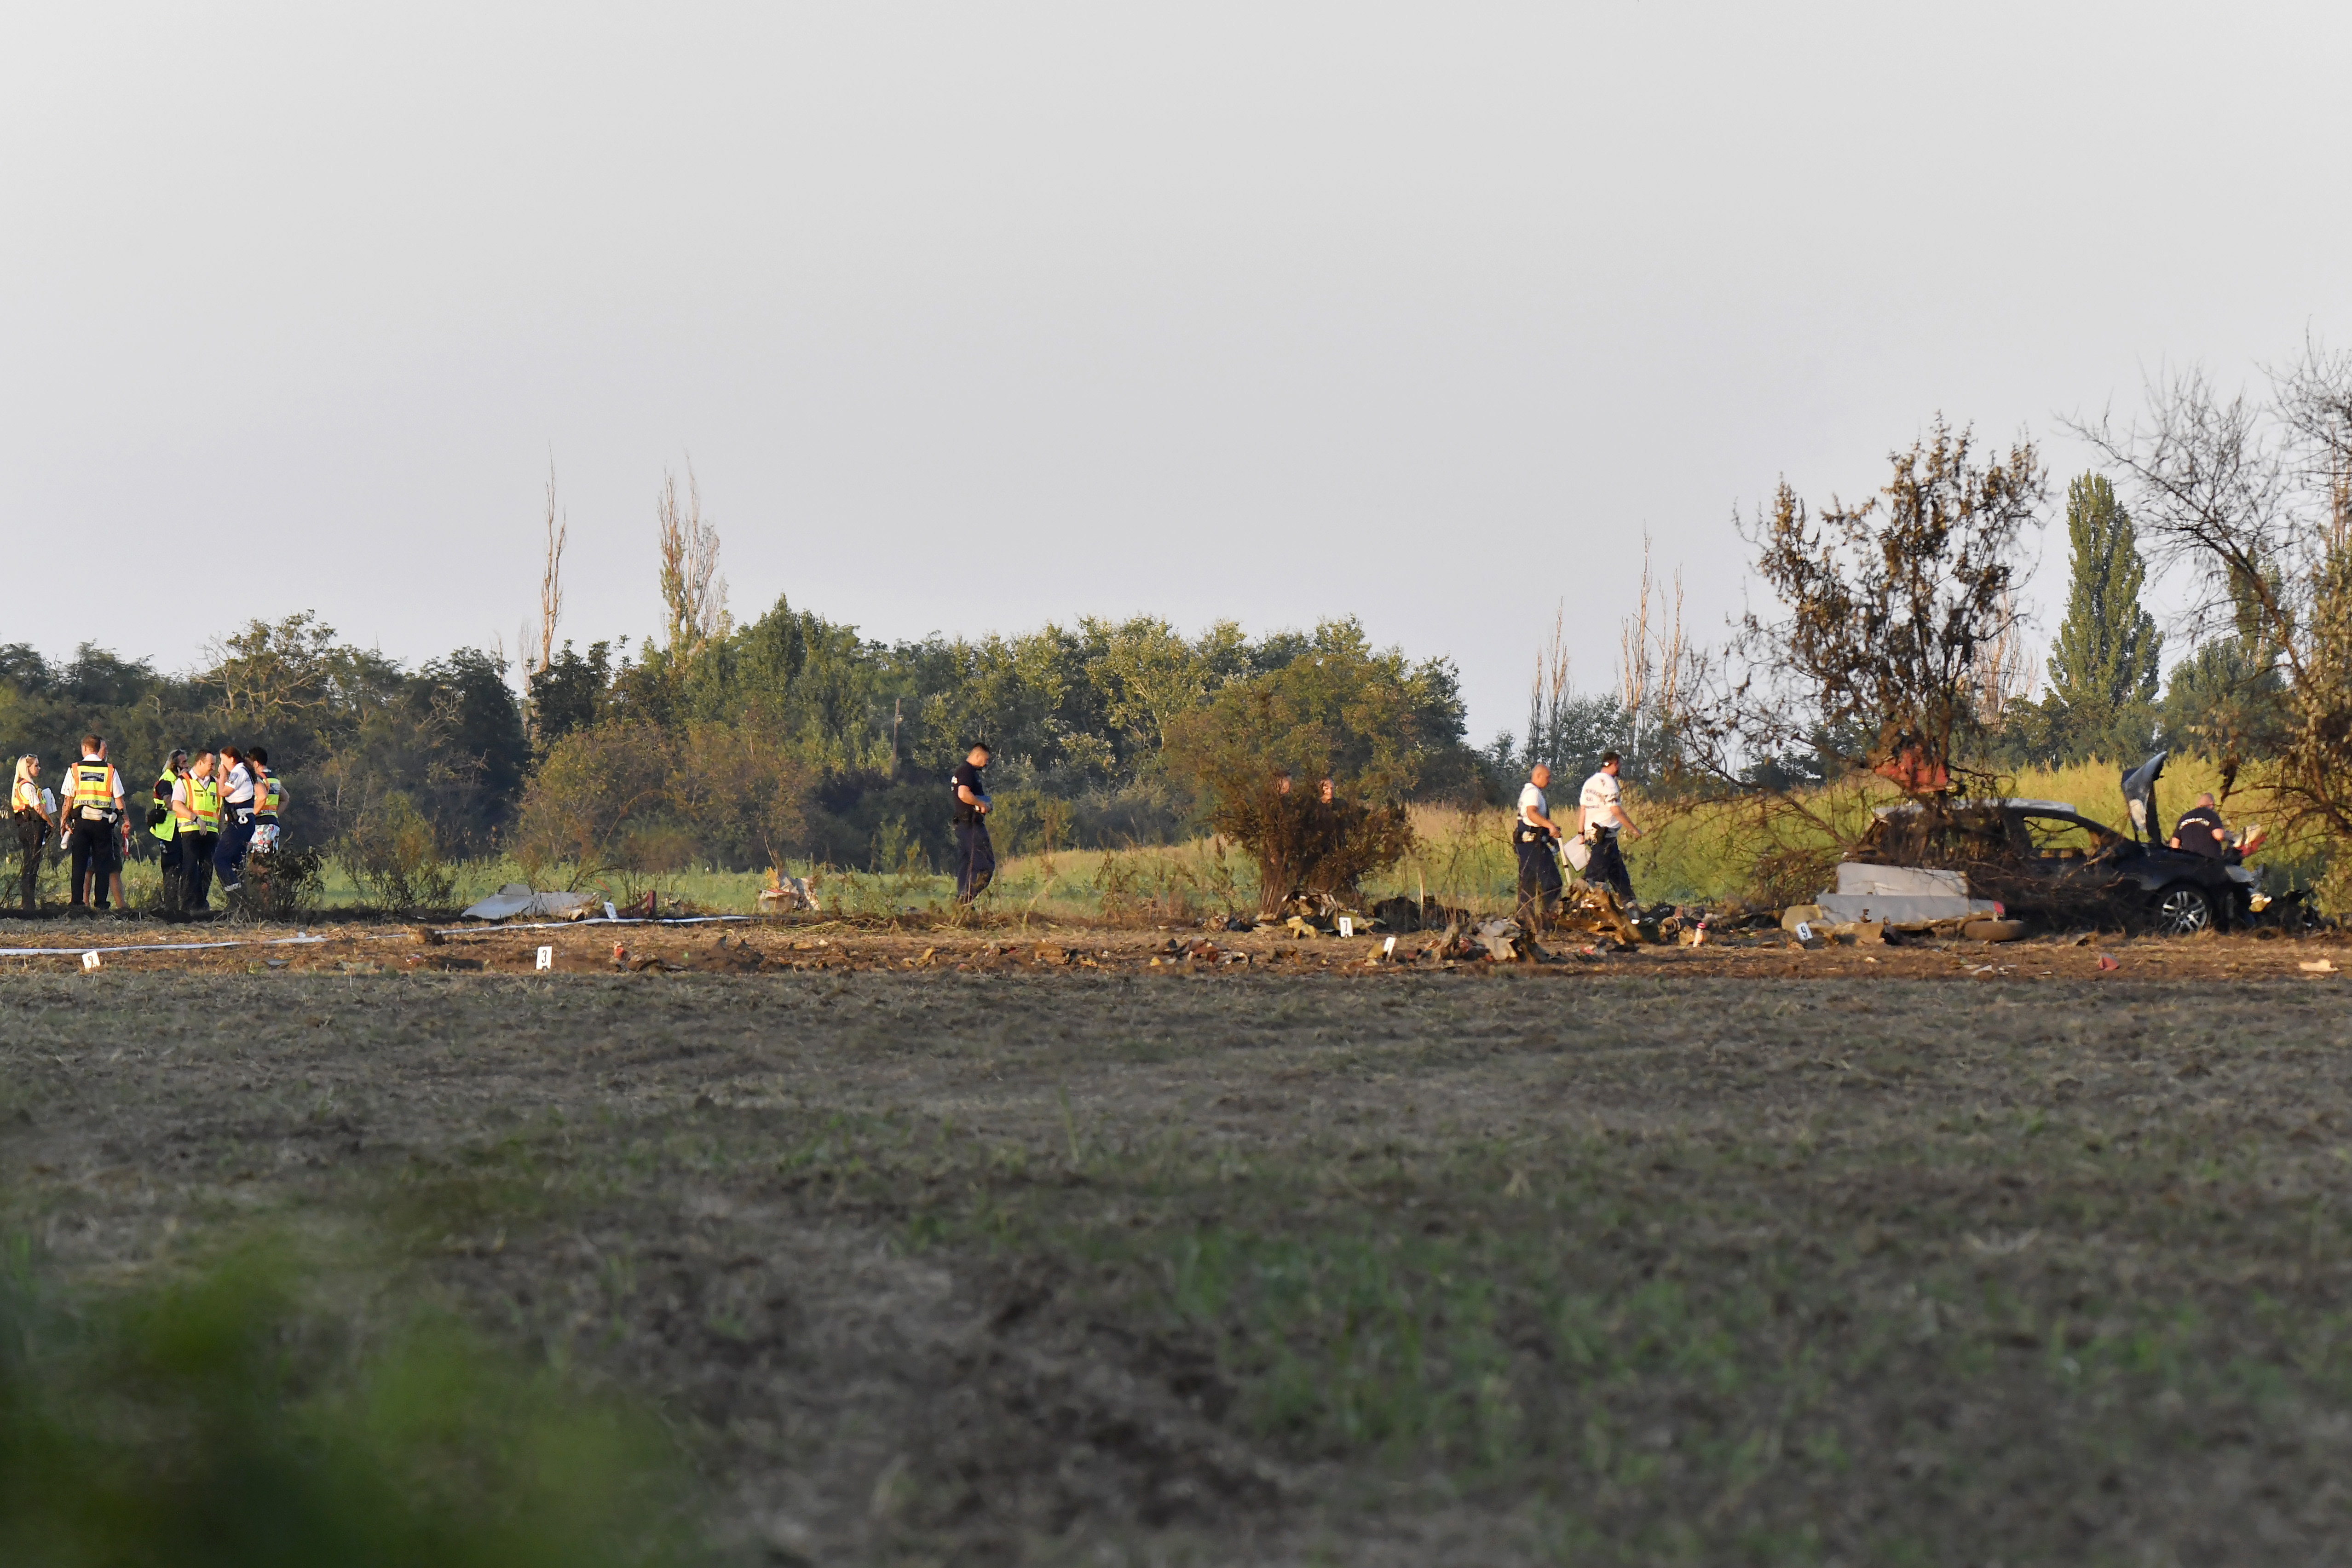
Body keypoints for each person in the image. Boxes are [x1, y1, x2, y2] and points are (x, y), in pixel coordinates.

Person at [64, 736, 130, 913]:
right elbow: (119, 799)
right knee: (103, 864)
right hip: (103, 823)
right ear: (98, 748)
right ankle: (101, 903)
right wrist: (126, 820)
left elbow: (68, 800)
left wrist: (64, 822)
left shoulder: (75, 769)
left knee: (79, 863)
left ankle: (77, 902)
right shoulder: (110, 770)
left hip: (82, 823)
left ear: (84, 748)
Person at [1579, 750, 1642, 905]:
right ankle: (1583, 910)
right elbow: (1616, 810)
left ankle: (1631, 907)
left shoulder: (1589, 783)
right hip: (1604, 838)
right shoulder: (1609, 784)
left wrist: (1580, 833)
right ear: (1615, 764)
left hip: (1596, 837)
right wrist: (1634, 829)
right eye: (1619, 765)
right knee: (1594, 880)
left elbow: (1583, 810)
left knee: (1620, 877)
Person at [1513, 762, 1564, 928]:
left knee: (1528, 884)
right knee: (1553, 883)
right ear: (1538, 776)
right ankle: (1550, 922)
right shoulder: (1533, 793)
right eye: (1547, 777)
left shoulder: (1528, 792)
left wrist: (1550, 835)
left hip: (1528, 845)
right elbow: (1531, 814)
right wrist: (1550, 826)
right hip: (1534, 846)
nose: (1549, 781)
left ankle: (1525, 921)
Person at [176, 750, 221, 911]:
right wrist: (195, 818)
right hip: (191, 831)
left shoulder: (216, 783)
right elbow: (177, 805)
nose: (214, 768)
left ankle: (201, 904)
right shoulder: (184, 781)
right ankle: (187, 905)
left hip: (211, 832)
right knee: (190, 868)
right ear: (200, 763)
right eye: (211, 764)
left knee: (207, 869)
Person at [950, 741, 994, 903]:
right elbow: (963, 794)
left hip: (963, 826)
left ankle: (962, 907)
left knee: (967, 867)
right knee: (986, 867)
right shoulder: (967, 771)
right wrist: (981, 804)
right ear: (977, 756)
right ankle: (964, 902)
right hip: (971, 826)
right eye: (986, 759)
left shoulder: (962, 771)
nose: (986, 763)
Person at [213, 745, 258, 895]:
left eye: (222, 760)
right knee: (236, 861)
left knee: (220, 859)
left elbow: (223, 792)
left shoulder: (238, 772)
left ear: (231, 759)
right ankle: (244, 898)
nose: (221, 764)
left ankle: (235, 896)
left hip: (240, 822)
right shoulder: (243, 771)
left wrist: (223, 774)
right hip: (243, 822)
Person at [12, 755, 54, 914]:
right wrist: (51, 823)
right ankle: (28, 903)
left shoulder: (22, 786)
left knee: (30, 863)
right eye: (36, 766)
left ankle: (28, 902)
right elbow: (38, 808)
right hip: (32, 827)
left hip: (27, 826)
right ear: (27, 768)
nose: (39, 768)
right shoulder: (27, 787)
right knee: (32, 864)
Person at [151, 749, 190, 913]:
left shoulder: (181, 780)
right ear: (174, 765)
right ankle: (171, 906)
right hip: (169, 830)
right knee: (171, 868)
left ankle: (182, 905)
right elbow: (169, 803)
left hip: (180, 828)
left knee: (184, 866)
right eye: (184, 763)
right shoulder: (167, 781)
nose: (188, 766)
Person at [2168, 793, 2230, 859]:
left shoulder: (2184, 818)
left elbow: (2175, 845)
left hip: (2189, 862)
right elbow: (2219, 836)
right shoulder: (2211, 814)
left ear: (2198, 805)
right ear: (2212, 804)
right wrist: (2228, 835)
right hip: (2209, 862)